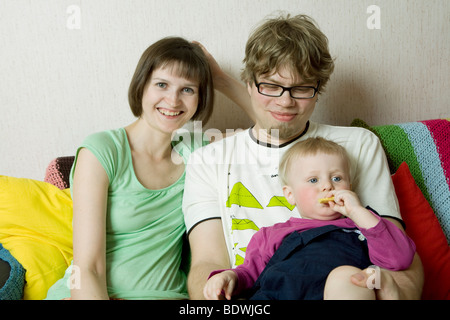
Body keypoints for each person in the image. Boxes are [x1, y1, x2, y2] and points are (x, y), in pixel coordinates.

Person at [183, 13, 424, 299]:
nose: (285, 101)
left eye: (301, 89)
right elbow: (206, 263)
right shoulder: (207, 160)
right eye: (270, 86)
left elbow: (398, 256)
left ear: (318, 90)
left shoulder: (356, 144)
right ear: (249, 84)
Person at [45, 37, 216, 300]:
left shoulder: (196, 153)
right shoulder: (102, 150)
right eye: (162, 84)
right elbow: (87, 267)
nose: (173, 100)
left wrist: (220, 78)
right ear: (142, 87)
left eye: (188, 89)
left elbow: (272, 134)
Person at [203, 137, 416, 300]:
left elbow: (401, 259)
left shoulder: (365, 225)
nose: (327, 186)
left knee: (349, 278)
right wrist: (229, 277)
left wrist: (359, 212)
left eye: (337, 178)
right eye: (313, 179)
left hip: (337, 290)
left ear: (349, 187)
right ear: (290, 195)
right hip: (276, 293)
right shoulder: (272, 234)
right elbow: (249, 273)